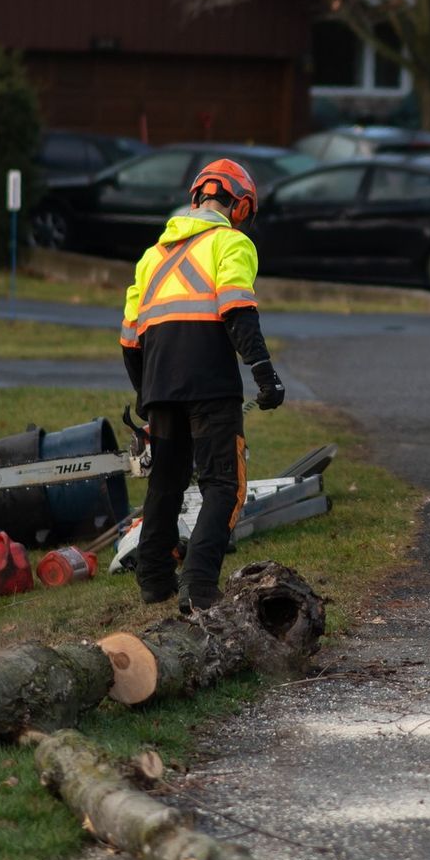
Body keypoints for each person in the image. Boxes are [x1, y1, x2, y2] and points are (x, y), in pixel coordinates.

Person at [120, 158, 286, 613]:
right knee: (223, 486)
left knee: (167, 483)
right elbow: (237, 309)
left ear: (197, 198)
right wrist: (264, 373)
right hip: (210, 382)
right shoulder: (232, 243)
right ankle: (197, 585)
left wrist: (145, 395)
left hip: (158, 381)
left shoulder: (152, 255)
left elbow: (130, 338)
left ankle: (155, 579)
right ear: (240, 207)